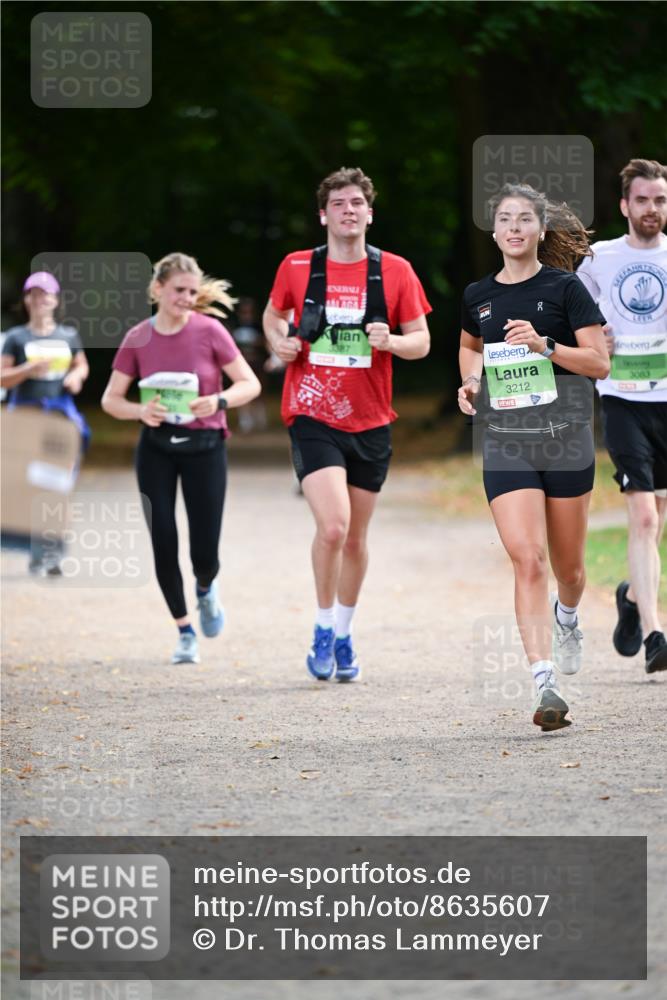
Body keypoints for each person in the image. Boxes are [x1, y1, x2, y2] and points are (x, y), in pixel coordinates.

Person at [263, 166, 431, 682]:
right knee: (333, 526)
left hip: (371, 419)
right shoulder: (297, 266)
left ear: (370, 213)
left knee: (355, 539)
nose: (348, 211)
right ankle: (320, 626)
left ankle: (343, 632)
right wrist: (278, 341)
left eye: (357, 203)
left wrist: (391, 342)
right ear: (324, 215)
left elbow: (421, 341)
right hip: (311, 412)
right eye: (338, 204)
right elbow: (274, 314)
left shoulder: (395, 271)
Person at [458, 183, 609, 732]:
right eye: (505, 218)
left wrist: (545, 346)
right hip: (506, 439)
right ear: (494, 230)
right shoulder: (478, 294)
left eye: (525, 218)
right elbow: (469, 347)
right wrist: (471, 383)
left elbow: (599, 363)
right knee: (528, 558)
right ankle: (545, 683)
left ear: (541, 230)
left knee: (569, 570)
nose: (515, 227)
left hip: (565, 438)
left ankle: (567, 616)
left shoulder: (565, 288)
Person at [101, 252, 261, 665]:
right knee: (163, 540)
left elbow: (250, 384)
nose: (187, 298)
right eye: (179, 291)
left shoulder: (210, 331)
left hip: (205, 448)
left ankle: (206, 588)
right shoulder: (138, 336)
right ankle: (184, 631)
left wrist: (218, 400)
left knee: (204, 553)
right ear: (157, 289)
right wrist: (141, 411)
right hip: (156, 449)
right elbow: (110, 400)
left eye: (192, 292)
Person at [577, 158, 667, 674]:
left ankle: (632, 596)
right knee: (645, 517)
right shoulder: (599, 259)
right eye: (642, 200)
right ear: (624, 206)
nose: (651, 208)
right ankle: (656, 634)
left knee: (659, 520)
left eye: (659, 200)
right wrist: (595, 339)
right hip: (623, 397)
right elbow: (574, 319)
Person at [1, 271, 90, 574]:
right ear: (27, 300)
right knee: (28, 485)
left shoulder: (68, 336)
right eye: (34, 294)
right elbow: (2, 377)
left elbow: (81, 365)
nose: (40, 300)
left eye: (46, 294)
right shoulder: (16, 338)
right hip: (26, 418)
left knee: (56, 483)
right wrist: (27, 370)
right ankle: (30, 547)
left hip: (58, 418)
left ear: (55, 300)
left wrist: (76, 377)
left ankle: (50, 552)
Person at [231, 297, 269, 432]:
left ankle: (261, 420)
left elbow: (265, 343)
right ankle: (245, 422)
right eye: (244, 311)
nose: (246, 314)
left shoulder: (258, 326)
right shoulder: (234, 326)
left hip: (257, 362)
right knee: (241, 391)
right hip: (241, 364)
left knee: (260, 391)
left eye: (249, 311)